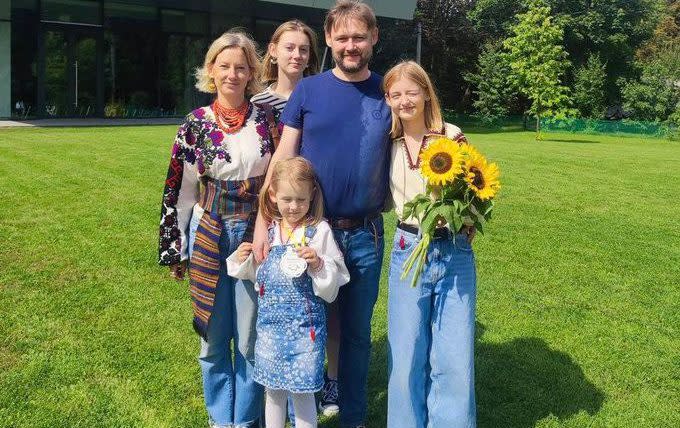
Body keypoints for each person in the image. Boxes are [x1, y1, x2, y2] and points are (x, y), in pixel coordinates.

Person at [252, 2, 391, 427]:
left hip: (365, 234)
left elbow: (424, 134)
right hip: (310, 233)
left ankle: (353, 418)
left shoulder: (387, 91)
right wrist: (263, 222)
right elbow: (283, 158)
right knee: (302, 324)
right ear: (328, 40)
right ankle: (300, 403)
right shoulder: (309, 91)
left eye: (359, 37)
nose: (351, 46)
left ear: (373, 39)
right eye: (342, 38)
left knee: (356, 334)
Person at [158, 31, 277, 428]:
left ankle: (244, 421)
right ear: (211, 70)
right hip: (208, 232)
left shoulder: (269, 123)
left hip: (253, 233)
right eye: (224, 66)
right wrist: (176, 248)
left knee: (248, 337)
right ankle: (219, 421)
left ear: (252, 73)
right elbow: (179, 190)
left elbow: (280, 183)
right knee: (212, 336)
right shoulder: (194, 125)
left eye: (240, 67)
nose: (232, 74)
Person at [250, 19, 341, 417]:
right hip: (276, 204)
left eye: (304, 49)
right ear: (273, 50)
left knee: (319, 310)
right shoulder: (259, 103)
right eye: (289, 47)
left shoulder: (317, 93)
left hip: (308, 205)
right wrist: (263, 214)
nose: (297, 55)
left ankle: (322, 385)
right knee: (269, 308)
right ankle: (273, 394)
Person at [383, 60, 476, 428]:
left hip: (453, 250)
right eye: (396, 94)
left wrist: (467, 216)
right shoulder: (386, 143)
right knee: (406, 351)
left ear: (425, 94)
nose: (404, 100)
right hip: (409, 247)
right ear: (388, 99)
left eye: (411, 92)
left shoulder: (452, 137)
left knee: (454, 352)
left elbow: (474, 187)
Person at [227, 157, 350, 428]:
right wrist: (242, 257)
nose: (294, 207)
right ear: (273, 196)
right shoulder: (268, 233)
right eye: (287, 199)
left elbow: (336, 277)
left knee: (303, 392)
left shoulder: (318, 232)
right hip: (271, 331)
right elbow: (258, 276)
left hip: (305, 332)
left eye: (301, 200)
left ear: (311, 197)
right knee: (273, 392)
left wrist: (318, 263)